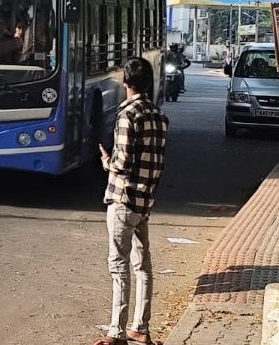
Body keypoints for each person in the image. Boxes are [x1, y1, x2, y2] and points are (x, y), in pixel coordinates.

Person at [93, 58, 170, 345]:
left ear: (126, 81)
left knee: (118, 266)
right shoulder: (159, 116)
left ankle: (117, 330)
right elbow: (156, 162)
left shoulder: (128, 115)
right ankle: (141, 327)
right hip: (145, 202)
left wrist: (105, 161)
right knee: (143, 267)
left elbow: (123, 162)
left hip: (123, 199)